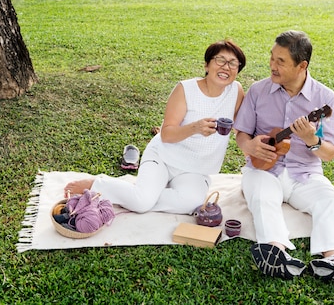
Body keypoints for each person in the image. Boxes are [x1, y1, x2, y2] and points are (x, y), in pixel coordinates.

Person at [234, 30, 334, 288]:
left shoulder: (325, 99)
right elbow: (242, 135)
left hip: (305, 173)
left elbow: (330, 153)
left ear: (302, 66)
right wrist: (250, 146)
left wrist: (313, 140)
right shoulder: (258, 91)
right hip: (264, 170)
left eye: (281, 61)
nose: (272, 65)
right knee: (262, 196)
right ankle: (276, 251)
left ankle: (333, 260)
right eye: (272, 57)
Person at [64, 39, 246, 214]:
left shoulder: (235, 91)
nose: (226, 67)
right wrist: (195, 128)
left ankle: (135, 193)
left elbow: (242, 128)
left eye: (233, 63)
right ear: (207, 65)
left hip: (196, 169)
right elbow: (166, 134)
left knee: (193, 203)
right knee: (142, 202)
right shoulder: (186, 89)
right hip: (164, 157)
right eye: (220, 60)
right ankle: (98, 185)